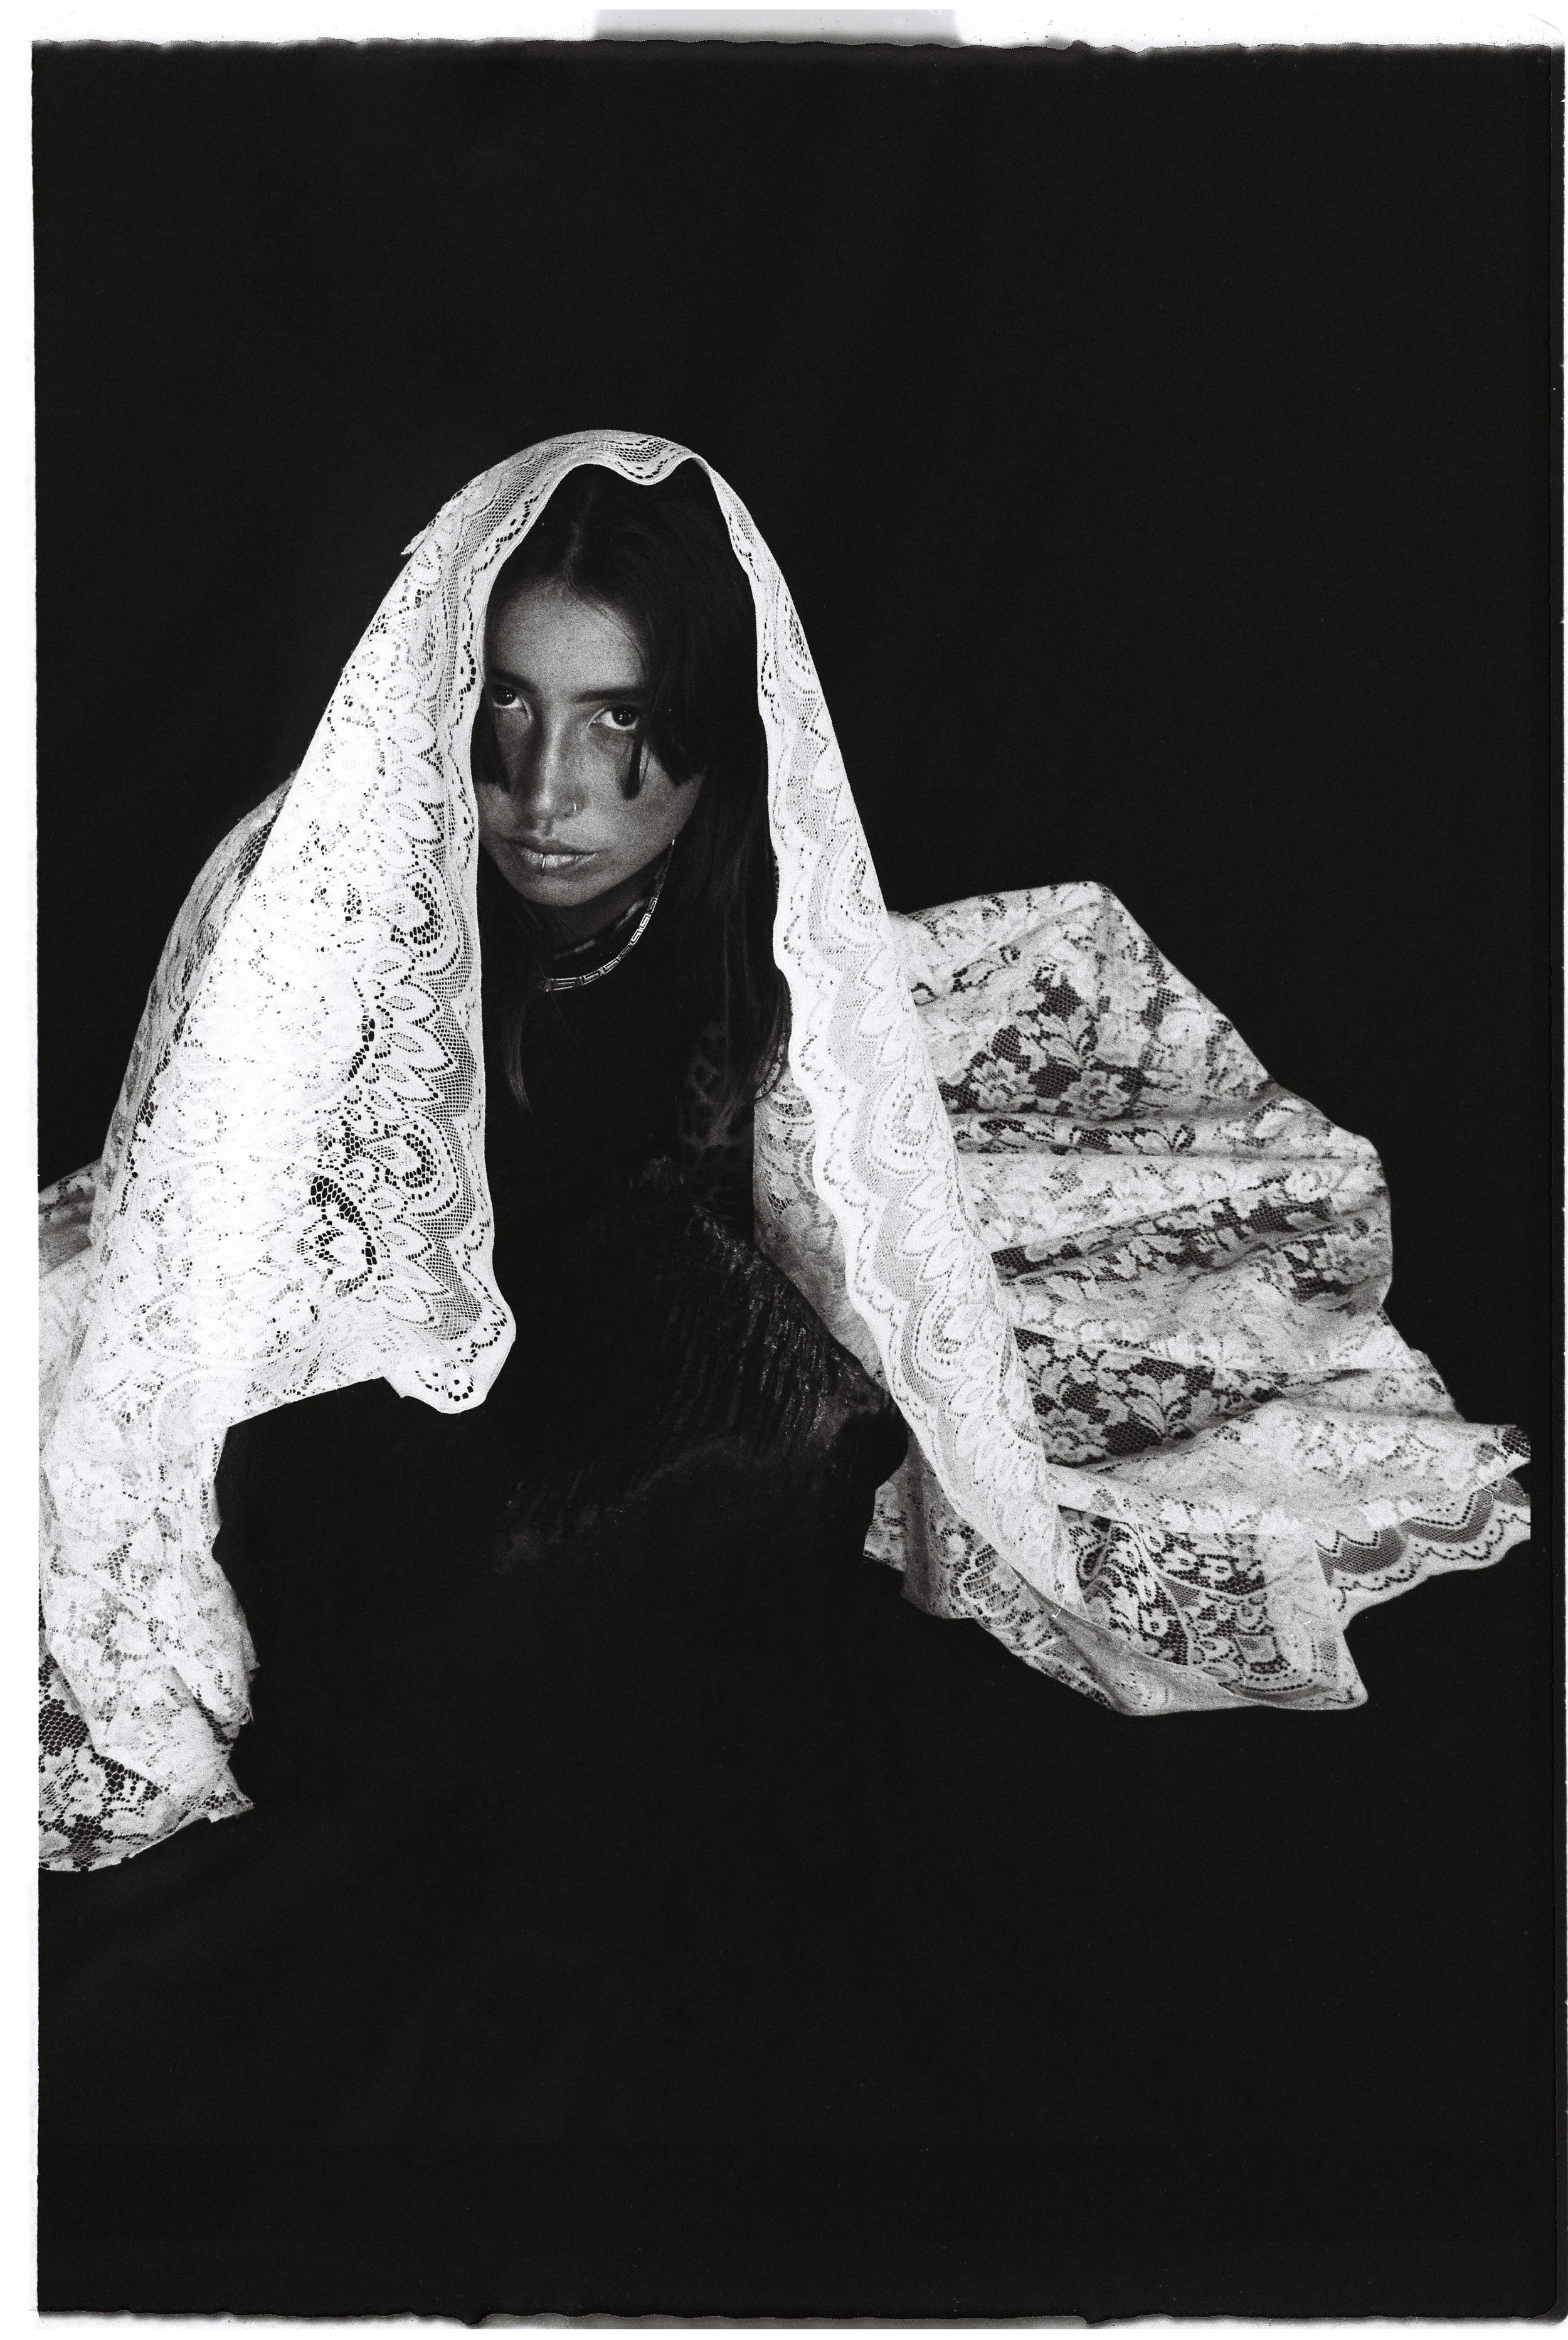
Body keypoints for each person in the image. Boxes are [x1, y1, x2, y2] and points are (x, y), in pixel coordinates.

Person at [38, 433, 1530, 2134]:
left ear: (706, 734)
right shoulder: (315, 897)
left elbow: (773, 1209)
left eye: (616, 722)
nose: (549, 793)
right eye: (508, 710)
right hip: (366, 1293)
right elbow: (229, 1269)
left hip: (630, 1249)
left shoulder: (748, 909)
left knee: (788, 1445)